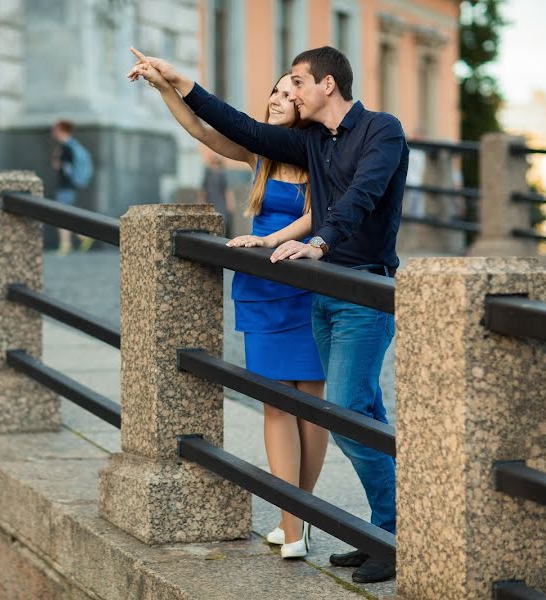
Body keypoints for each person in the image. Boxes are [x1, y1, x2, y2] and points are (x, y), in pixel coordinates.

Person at [129, 46, 407, 584]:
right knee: (360, 414)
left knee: (345, 411)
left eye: (296, 83)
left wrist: (316, 241)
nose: (288, 93)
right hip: (320, 293)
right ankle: (386, 532)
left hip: (358, 289)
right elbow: (229, 127)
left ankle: (397, 535)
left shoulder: (380, 130)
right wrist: (175, 80)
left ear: (327, 84)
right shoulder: (310, 141)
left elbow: (361, 197)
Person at [130, 54, 328, 561]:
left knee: (312, 405)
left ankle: (298, 519)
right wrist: (162, 88)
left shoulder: (320, 156)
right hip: (262, 287)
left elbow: (317, 219)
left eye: (290, 93)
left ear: (308, 102)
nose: (278, 100)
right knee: (275, 403)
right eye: (275, 92)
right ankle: (293, 522)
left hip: (305, 284)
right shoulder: (258, 154)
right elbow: (199, 128)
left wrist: (274, 241)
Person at [51, 120, 93, 254]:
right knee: (65, 215)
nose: (53, 132)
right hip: (69, 186)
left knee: (61, 216)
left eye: (55, 129)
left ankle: (67, 244)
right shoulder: (72, 146)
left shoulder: (65, 148)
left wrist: (57, 159)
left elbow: (60, 167)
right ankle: (82, 237)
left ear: (61, 130)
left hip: (65, 187)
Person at [198, 154, 236, 234]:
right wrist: (201, 202)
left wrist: (230, 204)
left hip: (221, 204)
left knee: (222, 222)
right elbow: (203, 190)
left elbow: (227, 191)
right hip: (211, 202)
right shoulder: (208, 174)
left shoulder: (222, 174)